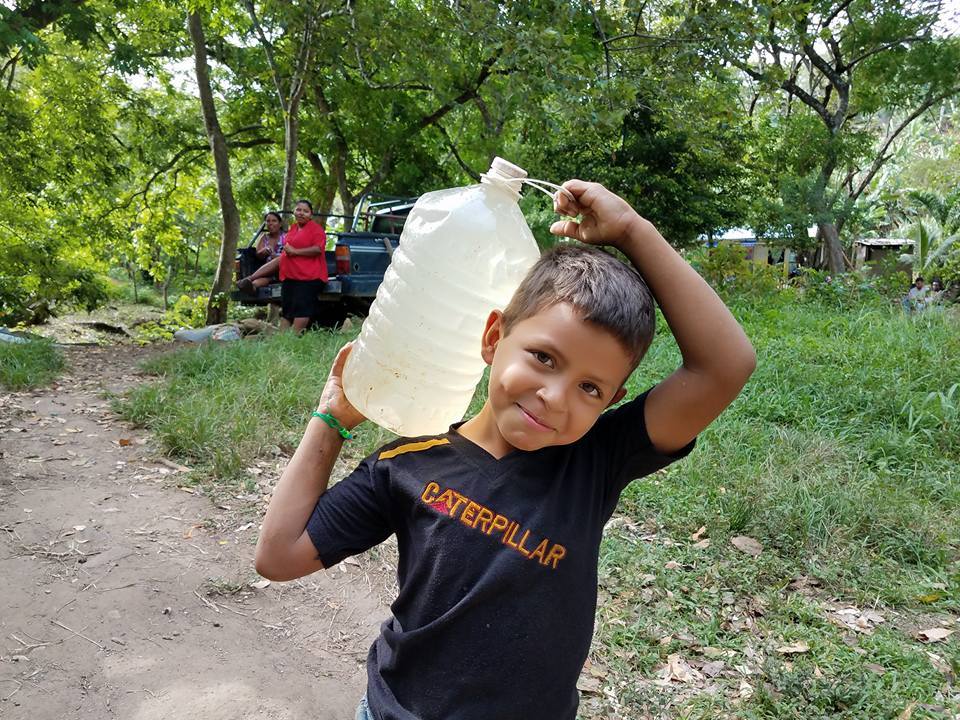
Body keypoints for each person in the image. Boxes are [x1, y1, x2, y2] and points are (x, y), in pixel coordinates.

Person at [254, 180, 756, 720]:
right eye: (543, 357)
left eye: (592, 388)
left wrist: (632, 230)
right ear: (494, 337)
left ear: (614, 399)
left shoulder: (595, 461)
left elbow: (726, 365)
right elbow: (279, 556)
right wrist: (331, 418)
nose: (555, 398)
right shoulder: (407, 465)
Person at [273, 200, 328, 332]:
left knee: (302, 309)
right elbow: (287, 245)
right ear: (294, 211)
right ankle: (282, 342)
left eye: (305, 211)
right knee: (287, 310)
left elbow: (317, 249)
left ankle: (294, 339)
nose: (301, 213)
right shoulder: (293, 228)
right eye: (298, 210)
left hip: (309, 277)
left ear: (311, 214)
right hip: (290, 276)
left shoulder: (316, 229)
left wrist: (295, 252)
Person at [237, 212, 287, 293]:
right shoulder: (264, 237)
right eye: (268, 221)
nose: (270, 223)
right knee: (264, 279)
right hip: (268, 272)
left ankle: (250, 278)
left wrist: (274, 255)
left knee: (280, 259)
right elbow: (258, 255)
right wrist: (263, 251)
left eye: (274, 221)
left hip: (283, 269)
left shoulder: (286, 236)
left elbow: (288, 255)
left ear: (280, 224)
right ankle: (251, 286)